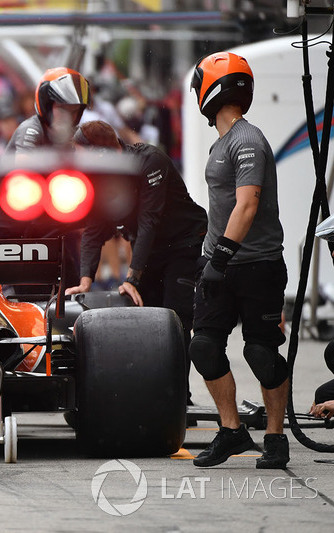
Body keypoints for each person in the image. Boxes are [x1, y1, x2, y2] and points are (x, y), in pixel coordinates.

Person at [188, 52, 289, 468]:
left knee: (261, 353)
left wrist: (221, 258)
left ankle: (276, 438)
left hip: (257, 265)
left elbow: (247, 206)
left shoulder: (247, 140)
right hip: (222, 264)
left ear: (211, 88)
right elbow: (224, 208)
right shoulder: (222, 142)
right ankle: (231, 431)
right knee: (204, 348)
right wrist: (208, 258)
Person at [65, 120, 208, 404]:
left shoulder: (149, 161)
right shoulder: (100, 176)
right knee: (149, 319)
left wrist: (132, 277)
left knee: (175, 319)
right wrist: (85, 280)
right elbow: (94, 229)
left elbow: (149, 221)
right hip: (148, 247)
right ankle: (156, 391)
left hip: (181, 242)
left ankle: (179, 396)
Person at [0, 67, 91, 284]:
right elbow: (23, 173)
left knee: (70, 280)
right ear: (47, 105)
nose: (68, 116)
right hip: (11, 229)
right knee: (18, 289)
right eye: (63, 108)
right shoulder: (30, 130)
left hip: (46, 223)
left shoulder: (67, 137)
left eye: (74, 111)